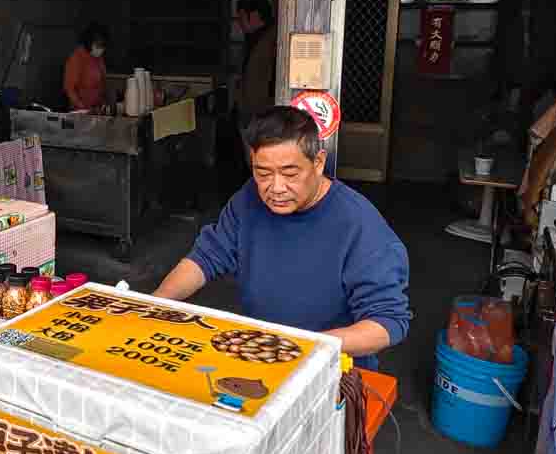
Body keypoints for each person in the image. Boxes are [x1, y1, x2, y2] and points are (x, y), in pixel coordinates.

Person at [155, 105, 411, 371]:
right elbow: (206, 259)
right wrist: (156, 302)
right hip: (263, 356)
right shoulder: (249, 200)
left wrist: (300, 345)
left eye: (290, 174)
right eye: (263, 173)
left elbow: (386, 324)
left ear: (319, 162)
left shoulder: (359, 226)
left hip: (331, 369)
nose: (275, 188)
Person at [234, 0, 276, 114]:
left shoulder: (275, 41)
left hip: (264, 113)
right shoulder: (253, 38)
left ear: (254, 15)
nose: (239, 23)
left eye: (241, 18)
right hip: (252, 112)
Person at [63, 23, 110, 112]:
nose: (101, 50)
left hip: (96, 110)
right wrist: (82, 108)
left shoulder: (98, 58)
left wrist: (104, 103)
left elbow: (103, 83)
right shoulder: (76, 58)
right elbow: (69, 88)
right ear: (89, 43)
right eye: (98, 46)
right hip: (80, 112)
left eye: (103, 47)